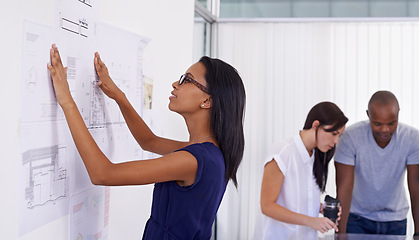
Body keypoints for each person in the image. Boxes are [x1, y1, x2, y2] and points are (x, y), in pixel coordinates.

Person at [47, 44, 246, 239]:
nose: (176, 84)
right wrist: (119, 96)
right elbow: (149, 141)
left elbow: (102, 173)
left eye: (187, 80)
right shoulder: (208, 153)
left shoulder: (193, 160)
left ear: (207, 101)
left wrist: (66, 100)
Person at [254, 102, 348, 239]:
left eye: (339, 135)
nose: (336, 141)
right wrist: (311, 221)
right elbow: (267, 206)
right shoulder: (282, 152)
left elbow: (295, 200)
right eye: (334, 133)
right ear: (315, 125)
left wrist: (320, 207)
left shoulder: (316, 156)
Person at [335, 90, 419, 236]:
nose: (385, 130)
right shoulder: (350, 137)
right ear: (368, 115)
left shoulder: (412, 138)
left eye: (392, 123)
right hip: (357, 219)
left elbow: (416, 188)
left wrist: (418, 233)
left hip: (396, 220)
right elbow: (344, 188)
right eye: (378, 124)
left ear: (398, 113)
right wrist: (340, 234)